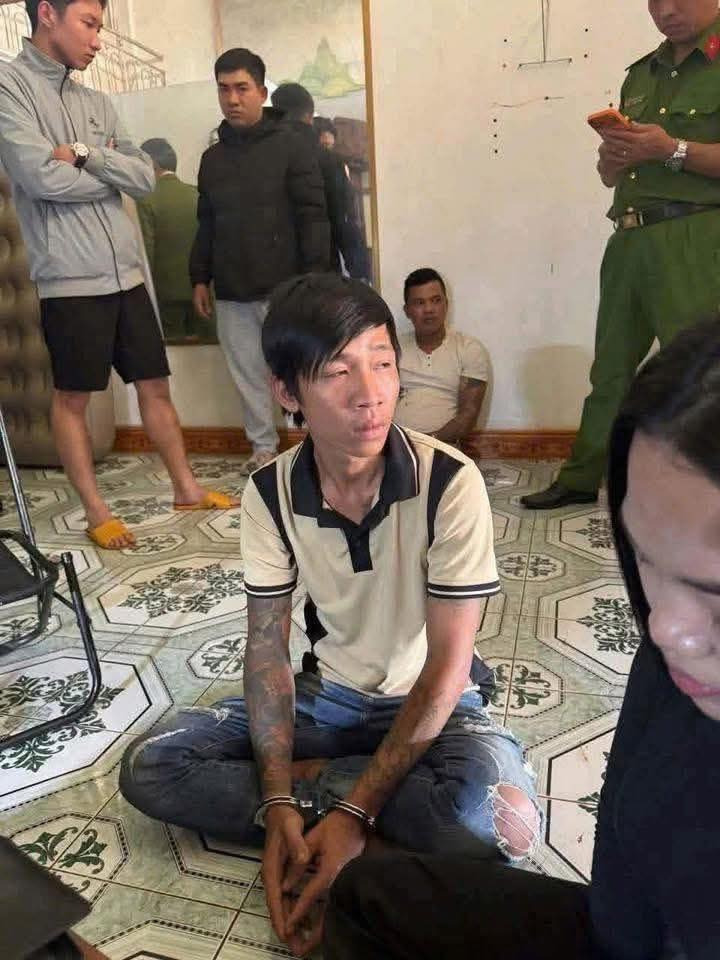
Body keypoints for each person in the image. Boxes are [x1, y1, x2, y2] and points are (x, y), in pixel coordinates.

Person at [118, 274, 540, 958]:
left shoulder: (449, 483)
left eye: (383, 363)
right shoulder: (269, 492)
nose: (370, 393)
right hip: (330, 700)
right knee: (152, 765)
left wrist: (352, 810)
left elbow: (447, 668)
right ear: (287, 392)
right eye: (338, 371)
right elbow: (266, 649)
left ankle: (338, 799)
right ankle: (342, 802)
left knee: (500, 824)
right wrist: (277, 798)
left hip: (436, 701)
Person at [323, 317, 720, 960]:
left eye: (713, 590)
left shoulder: (447, 480)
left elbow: (449, 671)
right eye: (646, 558)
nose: (663, 627)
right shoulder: (671, 654)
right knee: (364, 896)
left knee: (479, 819)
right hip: (621, 933)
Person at [0, 0, 238, 551]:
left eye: (100, 26)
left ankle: (186, 488)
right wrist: (108, 172)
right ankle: (96, 511)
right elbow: (40, 179)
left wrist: (84, 154)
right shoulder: (10, 89)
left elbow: (144, 177)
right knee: (73, 399)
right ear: (47, 14)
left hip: (126, 276)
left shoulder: (97, 102)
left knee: (155, 384)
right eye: (88, 24)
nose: (98, 40)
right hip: (69, 279)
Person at [523, 0, 720, 510]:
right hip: (629, 236)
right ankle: (583, 475)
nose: (665, 10)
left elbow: (668, 150)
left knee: (700, 375)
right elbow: (617, 172)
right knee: (610, 369)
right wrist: (611, 163)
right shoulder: (642, 73)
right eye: (654, 0)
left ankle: (705, 491)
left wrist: (672, 149)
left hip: (694, 237)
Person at [190, 50, 331, 474]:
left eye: (241, 88)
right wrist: (200, 277)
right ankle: (263, 448)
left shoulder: (292, 145)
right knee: (247, 375)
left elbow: (313, 214)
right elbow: (206, 222)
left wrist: (315, 279)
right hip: (232, 287)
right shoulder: (212, 159)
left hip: (285, 286)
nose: (232, 99)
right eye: (223, 89)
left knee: (300, 371)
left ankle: (315, 446)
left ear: (262, 92)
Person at [271, 83, 370, 280]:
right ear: (309, 117)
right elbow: (343, 221)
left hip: (272, 275)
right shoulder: (328, 161)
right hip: (319, 272)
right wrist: (361, 273)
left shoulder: (261, 158)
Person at [395, 268, 489, 446]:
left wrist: (428, 444)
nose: (429, 309)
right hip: (397, 447)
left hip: (444, 449)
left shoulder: (469, 349)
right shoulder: (392, 349)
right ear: (407, 311)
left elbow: (469, 415)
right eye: (420, 303)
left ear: (446, 304)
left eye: (436, 300)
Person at [137, 138, 213, 343]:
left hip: (166, 299)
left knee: (173, 357)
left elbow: (146, 255)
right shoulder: (198, 194)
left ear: (151, 164)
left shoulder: (146, 200)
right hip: (204, 293)